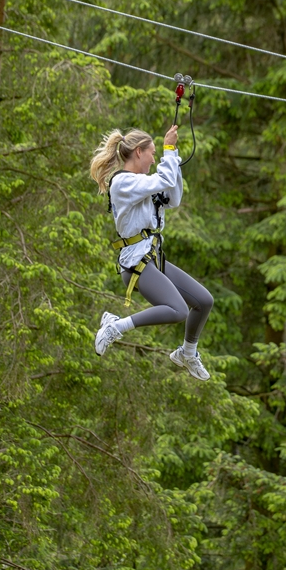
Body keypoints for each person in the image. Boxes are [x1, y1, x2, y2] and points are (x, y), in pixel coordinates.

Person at [88, 126, 212, 380]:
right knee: (178, 310)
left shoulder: (143, 184)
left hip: (153, 258)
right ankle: (116, 327)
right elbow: (163, 180)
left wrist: (172, 156)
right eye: (152, 154)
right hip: (136, 263)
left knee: (204, 301)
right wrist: (168, 150)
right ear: (138, 152)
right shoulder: (124, 183)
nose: (154, 159)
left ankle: (187, 354)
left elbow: (173, 197)